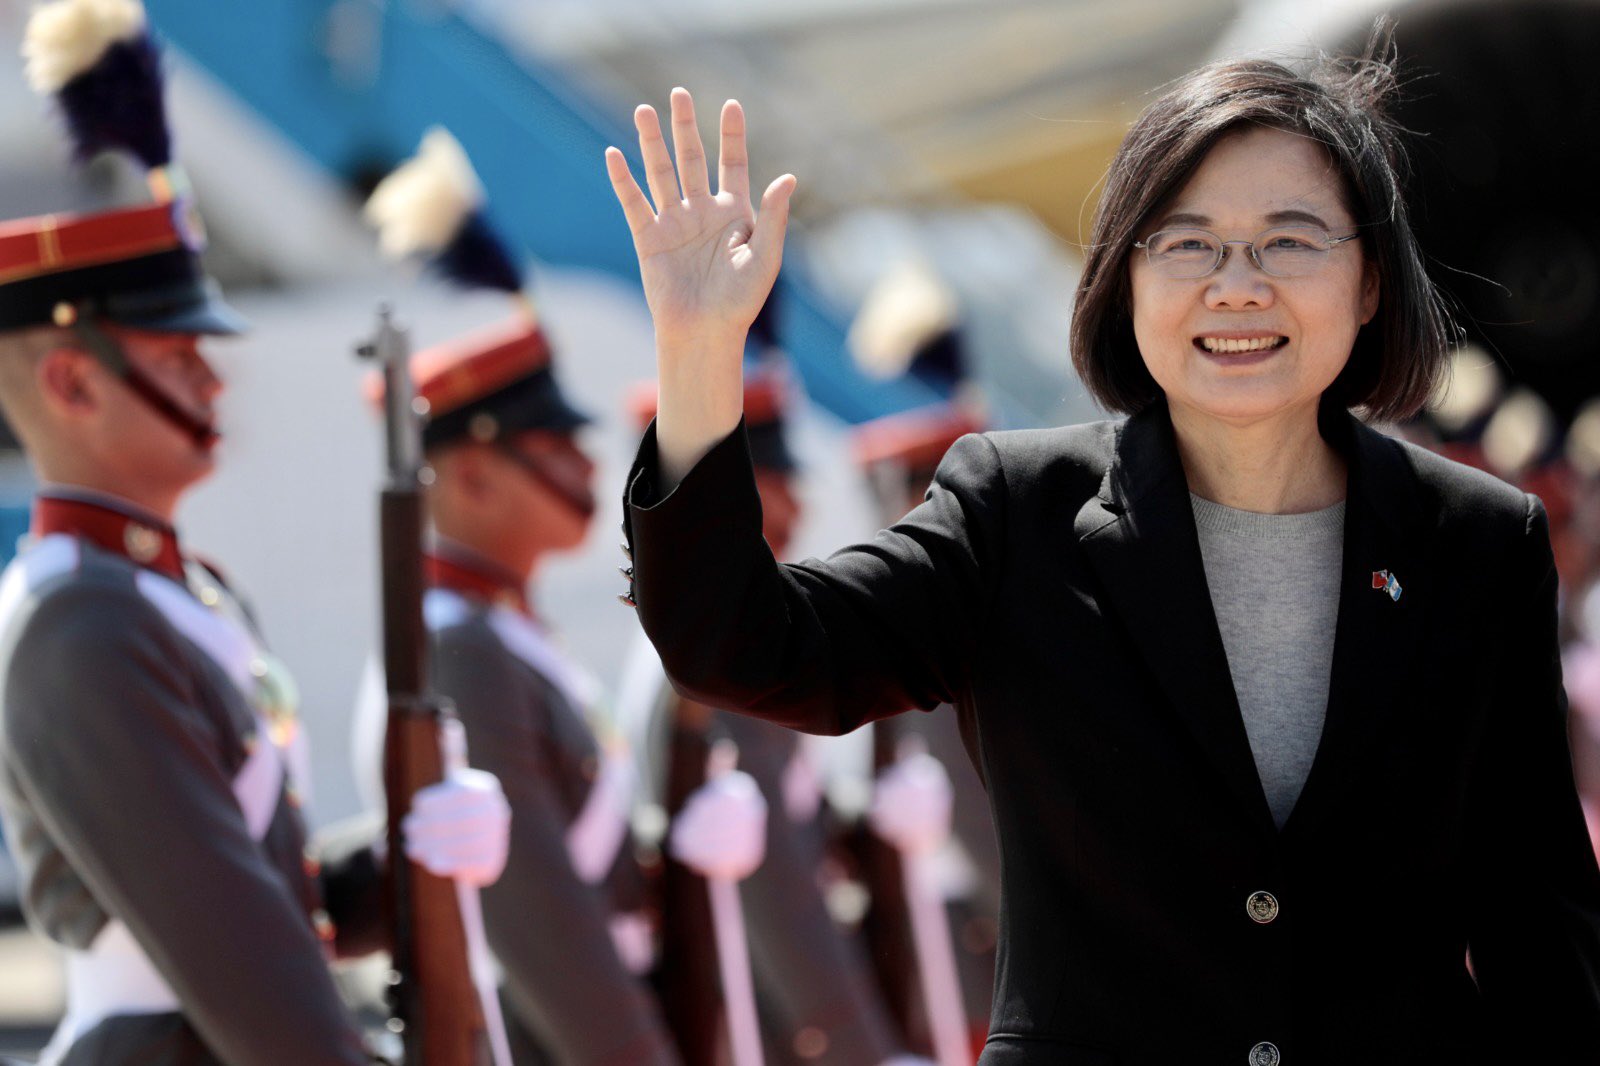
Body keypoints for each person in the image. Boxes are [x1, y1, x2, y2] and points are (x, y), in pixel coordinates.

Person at [602, 27, 1600, 1066]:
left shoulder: (1480, 542)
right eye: (1188, 243)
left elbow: (1541, 937)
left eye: (1290, 241)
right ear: (1126, 281)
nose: (1238, 285)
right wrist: (698, 353)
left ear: (1370, 284)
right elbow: (743, 646)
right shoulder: (1015, 513)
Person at [0, 6, 510, 1063]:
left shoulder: (176, 592)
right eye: (178, 358)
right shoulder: (81, 622)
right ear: (72, 382)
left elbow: (275, 895)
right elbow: (251, 978)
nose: (213, 381)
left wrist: (405, 855)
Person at [618, 366, 927, 1066]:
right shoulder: (719, 663)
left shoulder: (710, 649)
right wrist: (865, 1050)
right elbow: (777, 892)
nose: (797, 501)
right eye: (776, 479)